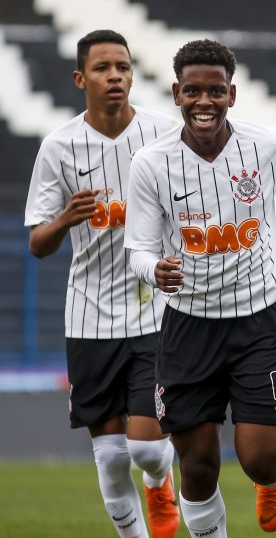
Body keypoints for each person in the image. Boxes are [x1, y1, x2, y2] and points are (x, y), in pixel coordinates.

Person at [123, 39, 276, 537]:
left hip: (259, 319)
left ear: (232, 95)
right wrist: (153, 270)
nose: (205, 102)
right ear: (176, 93)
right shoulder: (151, 163)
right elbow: (137, 248)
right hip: (187, 326)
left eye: (215, 91)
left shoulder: (267, 146)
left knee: (258, 458)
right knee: (196, 464)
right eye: (193, 90)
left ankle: (273, 478)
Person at [24, 29, 179, 538]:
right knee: (112, 458)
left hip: (154, 309)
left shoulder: (163, 134)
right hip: (90, 313)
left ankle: (160, 483)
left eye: (123, 67)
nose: (115, 76)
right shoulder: (59, 147)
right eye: (102, 68)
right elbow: (39, 244)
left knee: (148, 449)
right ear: (80, 78)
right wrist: (67, 217)